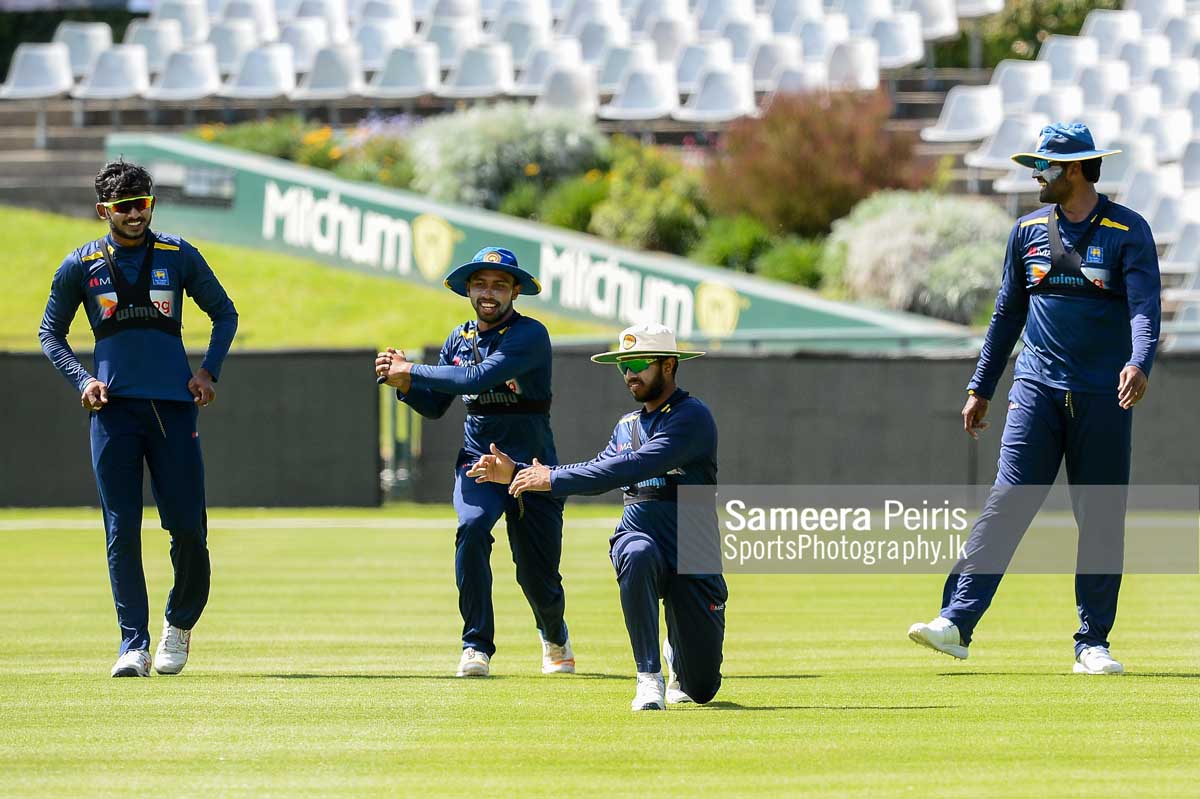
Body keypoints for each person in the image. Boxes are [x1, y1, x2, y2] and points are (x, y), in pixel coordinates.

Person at [908, 122, 1161, 675]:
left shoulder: (1127, 230)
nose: (1036, 176)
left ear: (1075, 170)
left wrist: (1139, 362)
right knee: (1006, 503)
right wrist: (981, 386)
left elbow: (1145, 308)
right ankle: (956, 622)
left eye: (1044, 166)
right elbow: (1006, 314)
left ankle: (1092, 644)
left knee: (1100, 520)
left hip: (1103, 399)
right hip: (1036, 391)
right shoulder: (1026, 232)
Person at [38, 159, 238, 678]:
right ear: (103, 210)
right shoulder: (80, 265)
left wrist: (208, 371)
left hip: (172, 408)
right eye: (124, 206)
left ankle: (179, 622)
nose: (135, 215)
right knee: (121, 530)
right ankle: (133, 645)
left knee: (188, 529)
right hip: (113, 414)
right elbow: (50, 333)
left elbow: (225, 313)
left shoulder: (178, 254)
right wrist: (83, 380)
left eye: (142, 204)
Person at [466, 323, 727, 711]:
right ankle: (648, 677)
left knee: (701, 688)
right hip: (639, 532)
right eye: (623, 366)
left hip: (694, 545)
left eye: (638, 363)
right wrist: (519, 471)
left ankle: (678, 651)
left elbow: (628, 467)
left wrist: (549, 478)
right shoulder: (626, 426)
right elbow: (599, 466)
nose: (629, 374)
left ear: (669, 365)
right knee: (636, 553)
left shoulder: (691, 417)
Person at [375, 247, 573, 678]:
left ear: (515, 291)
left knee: (537, 577)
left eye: (499, 285)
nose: (489, 293)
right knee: (472, 528)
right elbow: (435, 406)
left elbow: (477, 377)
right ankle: (475, 646)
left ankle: (554, 633)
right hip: (478, 462)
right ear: (468, 289)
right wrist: (404, 384)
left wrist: (412, 368)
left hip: (532, 467)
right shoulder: (459, 338)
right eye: (480, 284)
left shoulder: (530, 334)